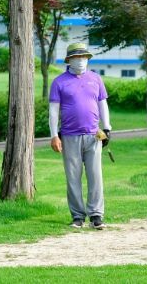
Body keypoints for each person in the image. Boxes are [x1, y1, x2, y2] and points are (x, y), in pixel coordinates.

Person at [49, 43, 112, 229]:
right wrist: (54, 135)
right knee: (73, 177)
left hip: (94, 135)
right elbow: (53, 111)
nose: (81, 61)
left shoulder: (96, 79)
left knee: (95, 176)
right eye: (77, 57)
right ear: (69, 60)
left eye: (84, 57)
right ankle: (77, 216)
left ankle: (96, 215)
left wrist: (107, 128)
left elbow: (102, 104)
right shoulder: (59, 82)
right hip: (69, 136)